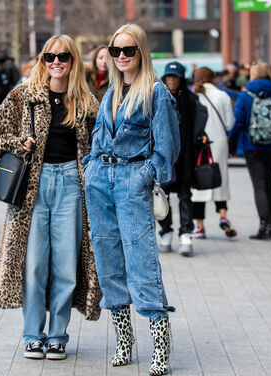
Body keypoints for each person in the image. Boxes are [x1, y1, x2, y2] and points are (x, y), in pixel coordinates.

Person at [0, 34, 101, 360]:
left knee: (65, 266)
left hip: (70, 185)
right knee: (35, 265)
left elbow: (104, 141)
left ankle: (58, 335)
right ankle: (33, 335)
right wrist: (18, 142)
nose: (56, 63)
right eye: (50, 57)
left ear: (73, 61)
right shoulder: (24, 96)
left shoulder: (86, 101)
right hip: (33, 187)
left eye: (63, 57)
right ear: (43, 60)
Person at [83, 24, 180, 376]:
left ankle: (160, 348)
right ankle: (125, 342)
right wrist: (91, 167)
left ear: (142, 51)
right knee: (108, 260)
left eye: (128, 50)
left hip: (131, 180)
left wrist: (143, 176)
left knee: (142, 262)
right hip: (100, 182)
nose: (121, 57)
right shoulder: (110, 92)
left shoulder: (155, 92)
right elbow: (97, 136)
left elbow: (167, 150)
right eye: (115, 51)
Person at [229, 62, 271, 240]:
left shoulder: (246, 96)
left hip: (252, 147)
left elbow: (238, 123)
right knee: (269, 185)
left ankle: (263, 227)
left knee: (259, 186)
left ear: (252, 75)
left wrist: (231, 145)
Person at [157, 61, 207, 256]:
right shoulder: (157, 97)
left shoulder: (190, 100)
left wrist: (197, 138)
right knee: (162, 195)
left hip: (185, 155)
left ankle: (186, 233)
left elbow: (199, 121)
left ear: (181, 79)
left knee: (186, 195)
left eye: (175, 77)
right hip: (163, 156)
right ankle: (166, 231)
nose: (171, 80)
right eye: (168, 76)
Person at [191, 67, 237, 239]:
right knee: (220, 180)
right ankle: (223, 215)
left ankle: (200, 227)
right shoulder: (222, 95)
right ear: (213, 78)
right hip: (218, 143)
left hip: (199, 143)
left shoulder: (194, 96)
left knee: (198, 183)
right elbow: (229, 123)